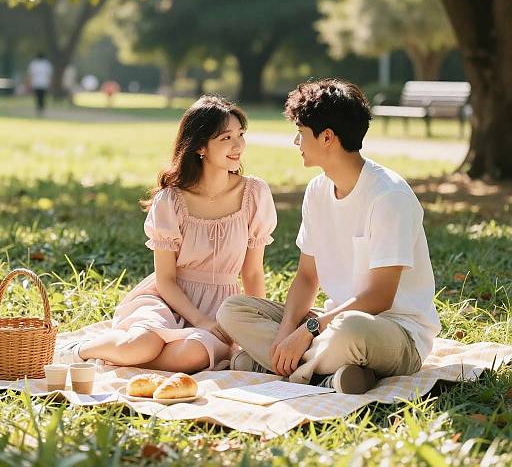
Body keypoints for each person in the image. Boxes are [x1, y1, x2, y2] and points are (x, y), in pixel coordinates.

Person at [217, 79, 440, 394]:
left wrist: (307, 331)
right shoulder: (317, 190)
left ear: (327, 137)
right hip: (328, 324)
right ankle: (330, 375)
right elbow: (307, 277)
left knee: (349, 331)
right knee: (232, 309)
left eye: (301, 133)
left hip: (393, 332)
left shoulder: (389, 196)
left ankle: (279, 367)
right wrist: (284, 334)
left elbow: (379, 298)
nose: (296, 142)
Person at [56, 95, 277, 373]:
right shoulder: (171, 200)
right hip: (167, 299)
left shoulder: (254, 194)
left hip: (220, 308)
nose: (238, 145)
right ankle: (80, 350)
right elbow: (166, 279)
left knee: (194, 354)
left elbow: (253, 274)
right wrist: (199, 320)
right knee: (141, 344)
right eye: (226, 138)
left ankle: (119, 357)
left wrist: (251, 329)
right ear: (199, 146)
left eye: (240, 135)